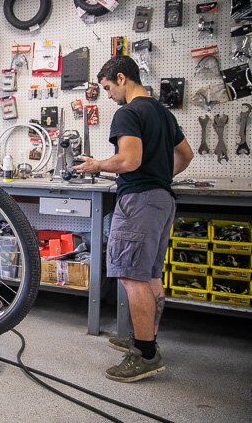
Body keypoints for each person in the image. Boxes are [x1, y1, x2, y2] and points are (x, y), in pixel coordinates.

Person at [74, 56, 194, 383]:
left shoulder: (128, 112)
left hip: (139, 201)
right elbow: (186, 155)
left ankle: (145, 355)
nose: (108, 94)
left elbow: (129, 159)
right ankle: (147, 339)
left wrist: (97, 165)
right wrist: (159, 176)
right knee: (151, 274)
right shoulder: (162, 112)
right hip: (161, 199)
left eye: (108, 87)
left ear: (122, 78)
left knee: (131, 276)